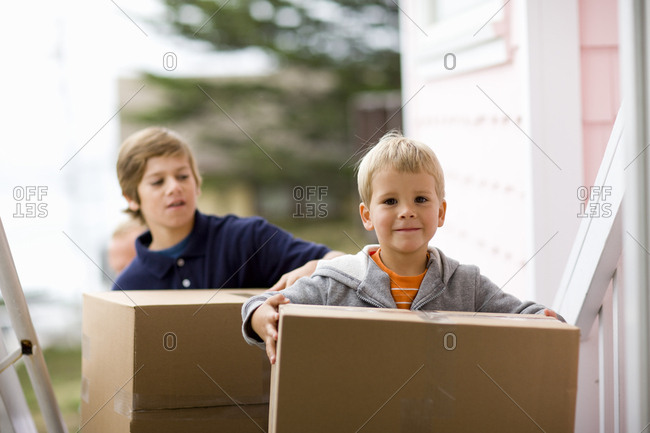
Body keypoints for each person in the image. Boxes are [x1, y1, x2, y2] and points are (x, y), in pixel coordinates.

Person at [242, 131, 562, 364]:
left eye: (420, 199)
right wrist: (259, 315)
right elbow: (263, 305)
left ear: (440, 212)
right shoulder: (335, 283)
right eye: (390, 201)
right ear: (367, 216)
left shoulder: (467, 284)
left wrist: (544, 319)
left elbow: (523, 316)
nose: (406, 211)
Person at [113, 126, 342, 291]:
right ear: (132, 198)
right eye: (157, 182)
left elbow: (342, 263)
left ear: (197, 183)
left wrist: (314, 266)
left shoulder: (248, 238)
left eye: (183, 176)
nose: (174, 187)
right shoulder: (128, 289)